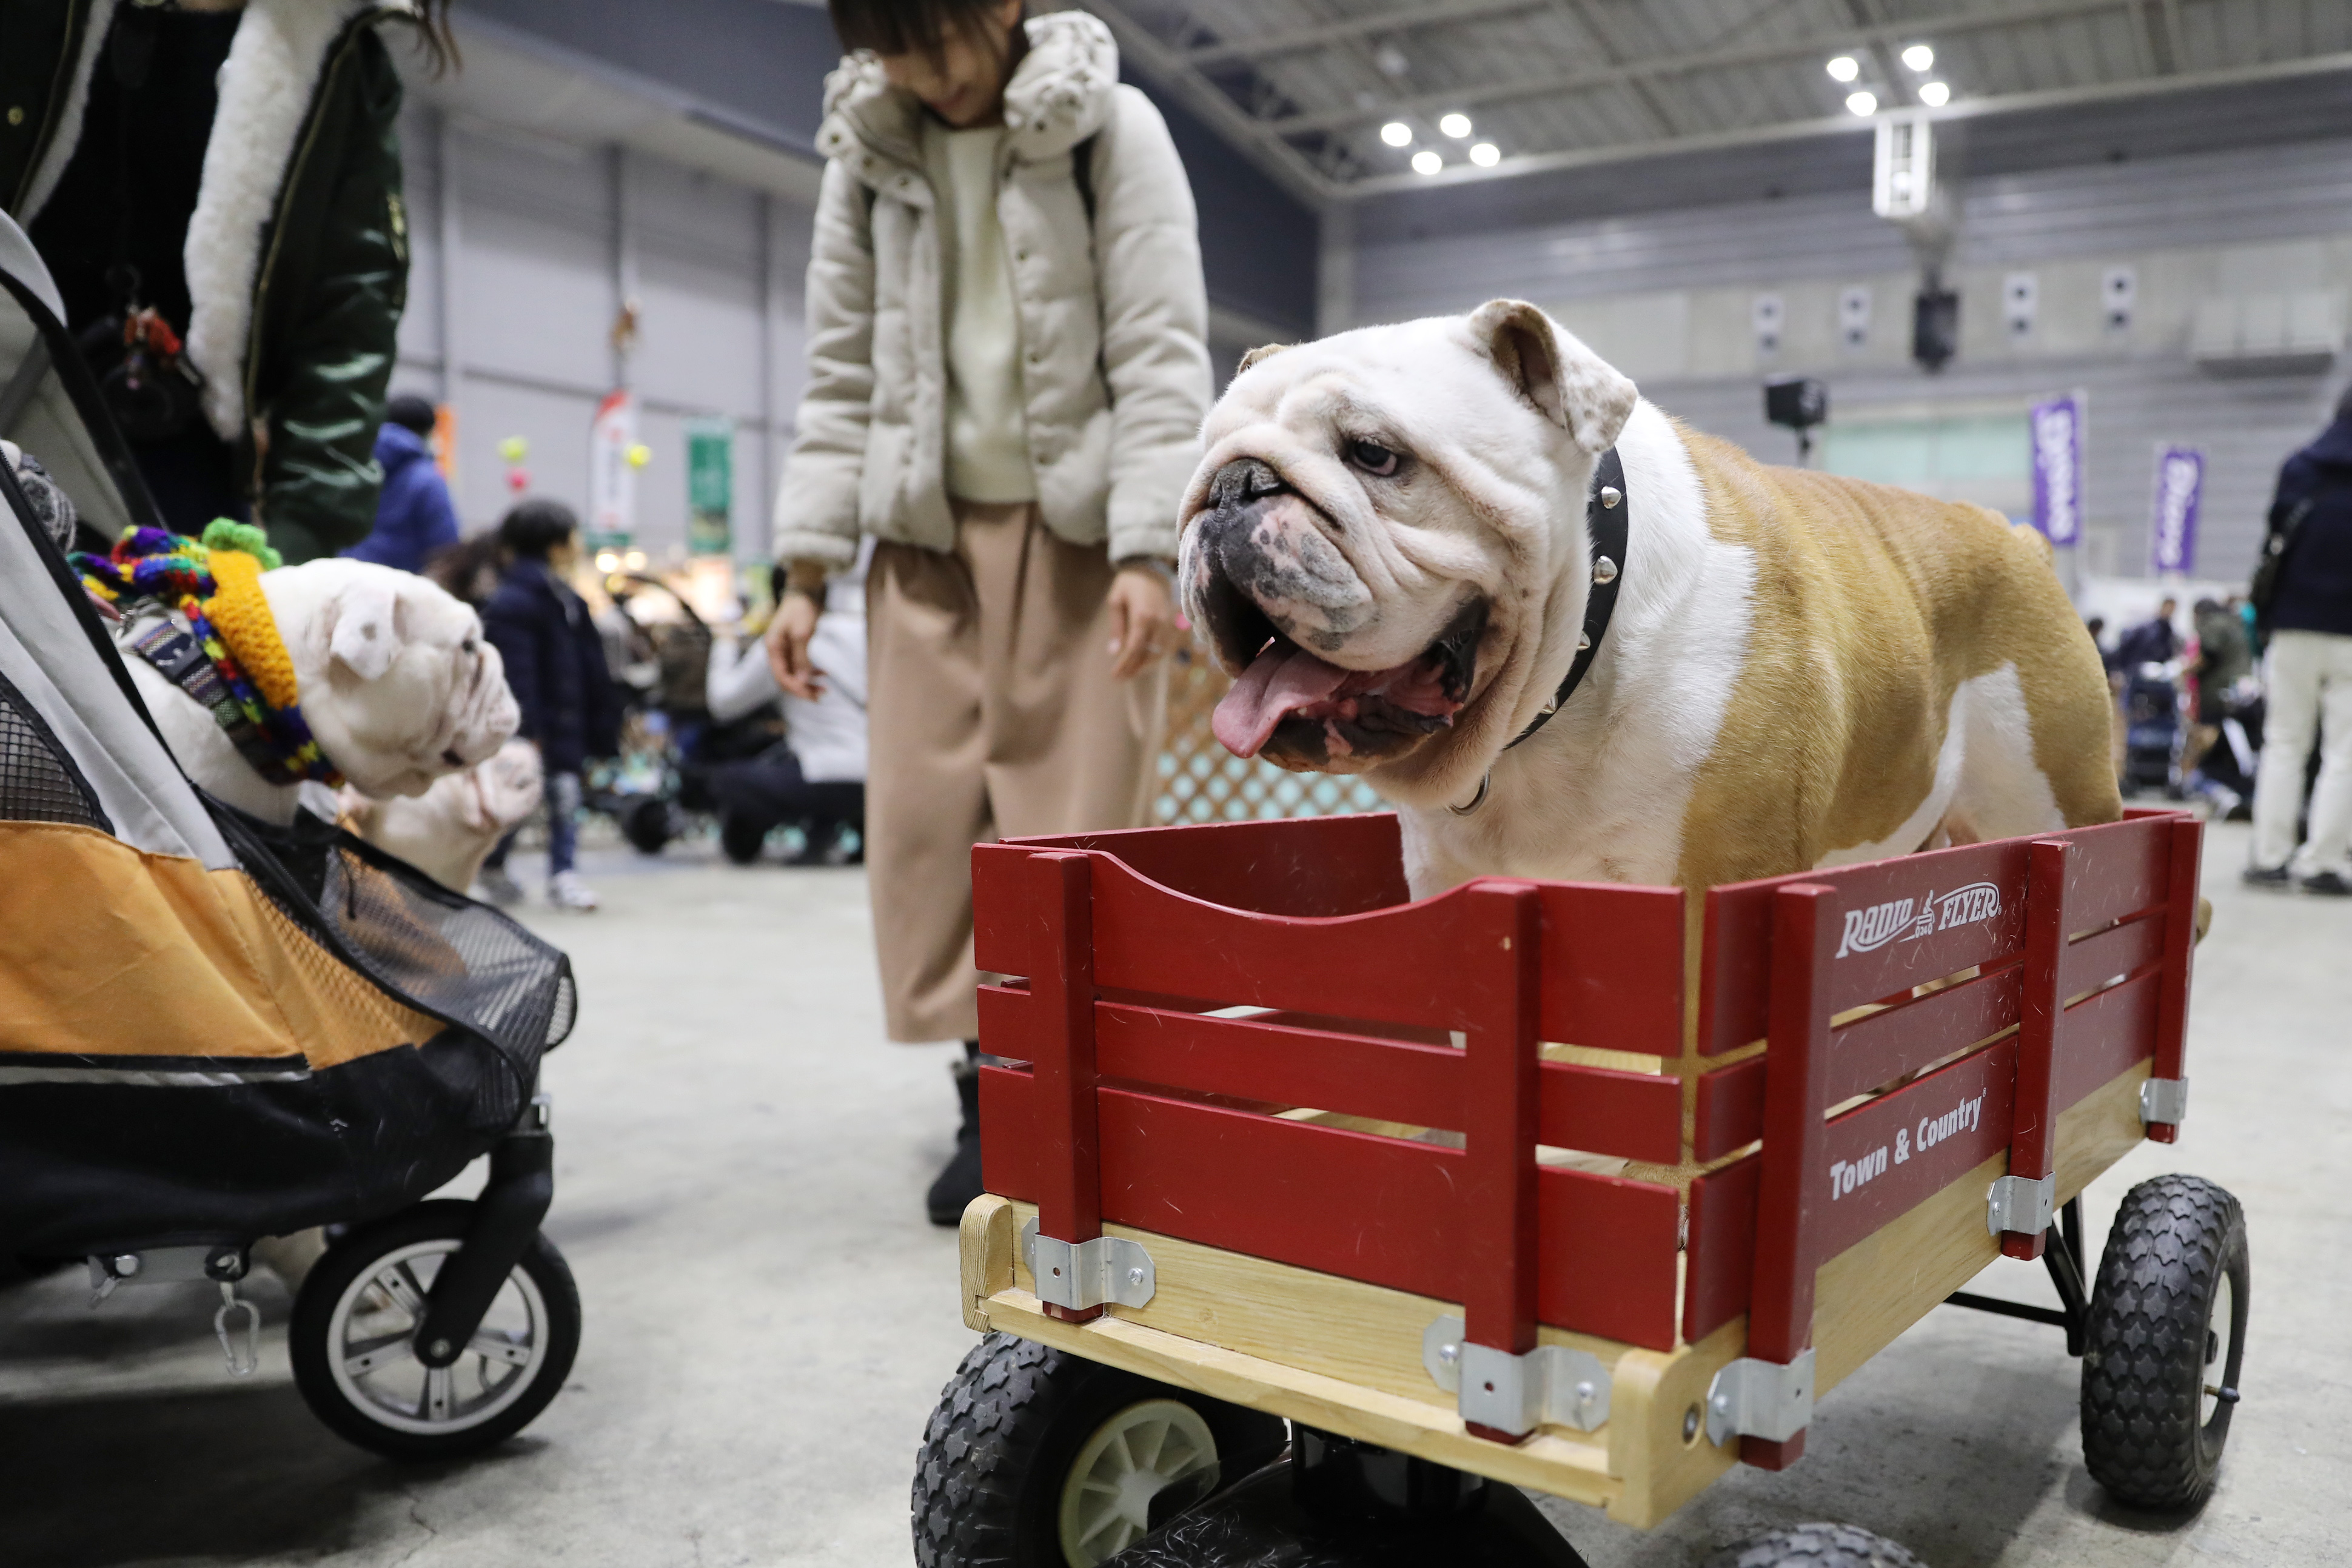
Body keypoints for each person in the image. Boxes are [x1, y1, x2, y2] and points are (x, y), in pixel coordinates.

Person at [767, 0, 1207, 1223]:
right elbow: (836, 365)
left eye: (937, 38)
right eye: (886, 45)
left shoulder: (1112, 130)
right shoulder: (867, 151)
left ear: (1005, 6)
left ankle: (1065, 1104)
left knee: (1071, 838)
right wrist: (803, 570)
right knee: (928, 838)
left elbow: (1161, 347)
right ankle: (985, 1101)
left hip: (1076, 545)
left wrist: (1145, 550)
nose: (919, 72)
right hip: (920, 548)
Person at [5, 0, 449, 561]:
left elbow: (349, 321)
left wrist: (298, 541)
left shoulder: (340, 56)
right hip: (14, 391)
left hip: (181, 464)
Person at [480, 500, 622, 911]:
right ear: (556, 546)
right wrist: (528, 729)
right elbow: (518, 674)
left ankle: (557, 872)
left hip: (561, 721)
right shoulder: (523, 602)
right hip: (541, 726)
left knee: (559, 796)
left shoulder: (559, 598)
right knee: (531, 799)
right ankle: (523, 870)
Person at [2245, 386, 2352, 894]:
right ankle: (2322, 863)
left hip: (2292, 625)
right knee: (2344, 752)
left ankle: (2269, 857)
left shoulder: (2299, 467)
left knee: (2284, 743)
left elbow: (2274, 537)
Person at [705, 550, 871, 865]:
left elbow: (724, 703)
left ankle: (816, 826)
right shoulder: (862, 630)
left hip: (821, 779)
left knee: (723, 779)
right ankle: (842, 829)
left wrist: (724, 642)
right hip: (880, 778)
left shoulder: (783, 641)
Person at [344, 394, 460, 572]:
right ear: (427, 432)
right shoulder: (428, 479)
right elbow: (446, 549)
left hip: (346, 577)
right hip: (400, 590)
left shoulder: (353, 466)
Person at [2114, 597, 2180, 670]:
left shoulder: (2169, 631)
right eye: (2168, 608)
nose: (2169, 612)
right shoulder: (2146, 628)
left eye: (2172, 609)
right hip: (2139, 667)